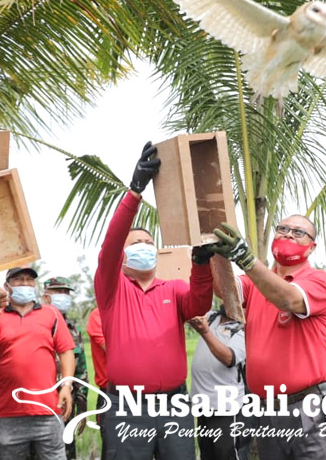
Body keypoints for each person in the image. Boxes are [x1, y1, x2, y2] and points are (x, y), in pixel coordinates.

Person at [94, 141, 214, 459]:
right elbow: (110, 244)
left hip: (175, 402)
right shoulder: (112, 289)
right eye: (136, 243)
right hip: (127, 406)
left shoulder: (172, 289)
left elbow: (199, 305)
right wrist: (134, 192)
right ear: (123, 254)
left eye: (149, 242)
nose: (145, 246)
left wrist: (201, 266)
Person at [203, 217, 326, 460]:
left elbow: (287, 299)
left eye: (299, 232)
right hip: (267, 409)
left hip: (311, 405)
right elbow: (226, 290)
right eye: (283, 229)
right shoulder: (255, 282)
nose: (289, 234)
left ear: (312, 247)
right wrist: (212, 252)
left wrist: (246, 259)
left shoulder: (318, 280)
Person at [0, 267, 75, 459]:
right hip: (9, 411)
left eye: (29, 280)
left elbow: (66, 352)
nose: (25, 283)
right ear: (7, 286)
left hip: (48, 409)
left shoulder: (51, 314)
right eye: (19, 280)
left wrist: (66, 386)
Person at [189, 306, 249, 460]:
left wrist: (205, 332)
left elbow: (229, 358)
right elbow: (189, 309)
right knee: (207, 455)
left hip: (227, 410)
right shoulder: (211, 316)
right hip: (203, 407)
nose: (225, 298)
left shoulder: (244, 328)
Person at [45, 277, 88, 460]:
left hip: (67, 406)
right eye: (58, 292)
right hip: (41, 406)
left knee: (67, 451)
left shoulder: (73, 329)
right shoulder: (37, 324)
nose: (63, 296)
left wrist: (82, 402)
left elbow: (81, 369)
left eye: (66, 292)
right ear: (46, 296)